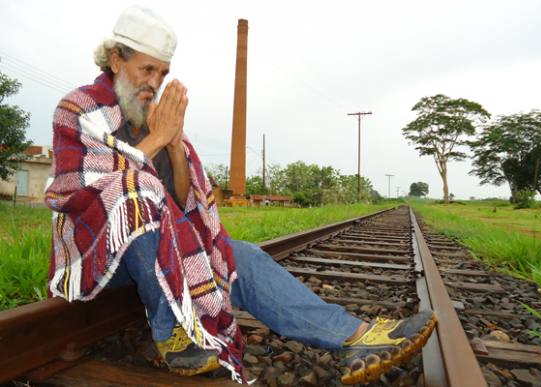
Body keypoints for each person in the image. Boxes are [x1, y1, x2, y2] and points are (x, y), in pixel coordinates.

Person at [45, 5, 436, 385]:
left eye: (162, 73)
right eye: (146, 69)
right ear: (115, 59)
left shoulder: (153, 116)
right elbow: (90, 198)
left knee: (240, 256)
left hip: (162, 261)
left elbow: (181, 205)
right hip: (99, 262)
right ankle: (175, 333)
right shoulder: (78, 109)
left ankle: (354, 337)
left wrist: (176, 147)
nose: (154, 82)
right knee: (138, 190)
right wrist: (157, 140)